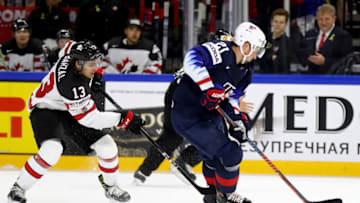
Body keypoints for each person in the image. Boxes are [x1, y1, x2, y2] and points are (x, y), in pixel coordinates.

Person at [7, 40, 145, 203]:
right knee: (52, 150)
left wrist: (95, 75)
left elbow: (66, 47)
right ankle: (18, 188)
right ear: (78, 65)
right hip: (46, 108)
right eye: (91, 65)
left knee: (107, 147)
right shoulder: (71, 85)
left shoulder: (72, 51)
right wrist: (123, 119)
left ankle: (111, 187)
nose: (96, 67)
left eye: (97, 63)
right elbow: (90, 119)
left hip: (68, 106)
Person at [170, 22, 266, 203]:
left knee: (213, 158)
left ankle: (213, 196)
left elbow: (232, 97)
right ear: (246, 46)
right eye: (256, 50)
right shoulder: (222, 50)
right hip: (188, 115)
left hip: (210, 114)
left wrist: (237, 118)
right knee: (231, 153)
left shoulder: (246, 70)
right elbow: (192, 57)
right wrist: (208, 87)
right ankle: (226, 195)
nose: (256, 56)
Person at [296, 3, 353, 74]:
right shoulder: (310, 33)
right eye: (320, 19)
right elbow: (301, 52)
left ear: (334, 19)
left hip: (334, 78)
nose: (323, 22)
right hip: (311, 77)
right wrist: (306, 58)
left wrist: (325, 61)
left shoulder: (343, 36)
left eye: (327, 19)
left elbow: (347, 60)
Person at [260, 8, 292, 73]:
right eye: (276, 21)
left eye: (281, 22)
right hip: (264, 78)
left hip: (283, 79)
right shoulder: (265, 40)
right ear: (272, 22)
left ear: (286, 25)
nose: (278, 25)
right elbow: (259, 59)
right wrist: (270, 57)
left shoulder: (290, 43)